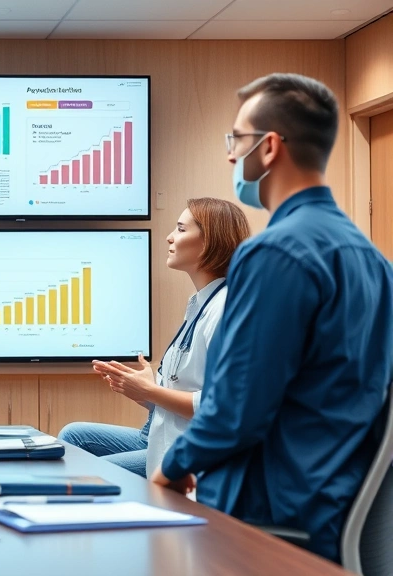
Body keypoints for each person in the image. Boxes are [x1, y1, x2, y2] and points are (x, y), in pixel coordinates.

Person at [153, 73, 393, 563]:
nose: (229, 156)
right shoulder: (373, 260)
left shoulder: (275, 254)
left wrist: (171, 470)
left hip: (269, 514)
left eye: (235, 140)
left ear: (269, 147)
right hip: (332, 501)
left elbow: (235, 404)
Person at [57, 198, 250, 477]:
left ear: (210, 242)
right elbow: (184, 387)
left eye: (181, 230)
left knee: (93, 475)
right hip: (164, 433)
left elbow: (220, 408)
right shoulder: (200, 305)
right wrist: (141, 388)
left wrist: (150, 391)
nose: (170, 237)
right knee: (73, 435)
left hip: (189, 451)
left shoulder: (225, 310)